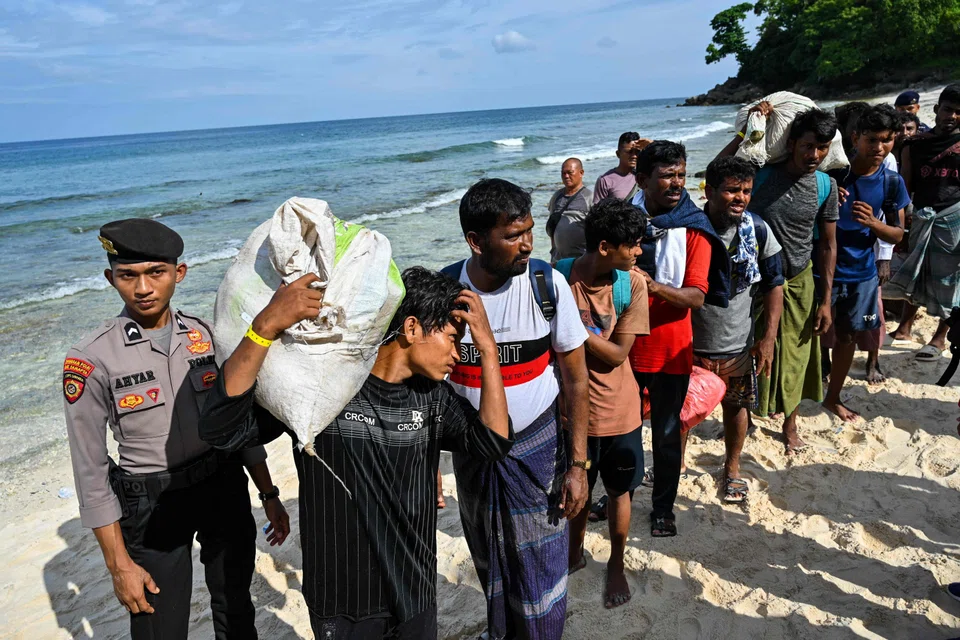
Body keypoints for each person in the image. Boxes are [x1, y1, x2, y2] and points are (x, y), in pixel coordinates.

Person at [198, 267, 514, 640]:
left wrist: (490, 350)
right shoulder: (322, 392)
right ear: (411, 328)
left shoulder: (432, 400)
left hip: (415, 594)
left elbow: (492, 441)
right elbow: (221, 428)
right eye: (451, 339)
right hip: (341, 603)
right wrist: (265, 327)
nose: (458, 355)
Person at [62, 219, 289, 640]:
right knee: (159, 627)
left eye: (156, 273)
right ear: (111, 279)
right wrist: (119, 565)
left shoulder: (206, 335)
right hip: (152, 506)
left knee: (237, 611)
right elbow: (90, 471)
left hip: (222, 486)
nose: (143, 288)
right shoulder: (91, 359)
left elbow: (235, 424)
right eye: (128, 276)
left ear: (178, 274)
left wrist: (268, 492)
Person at [445, 178, 590, 640]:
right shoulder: (446, 292)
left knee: (543, 559)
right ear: (475, 240)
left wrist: (580, 465)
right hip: (472, 452)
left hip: (538, 447)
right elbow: (426, 382)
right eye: (512, 235)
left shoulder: (548, 284)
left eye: (529, 230)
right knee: (489, 553)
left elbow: (575, 378)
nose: (527, 244)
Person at [717, 106, 840, 453]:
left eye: (822, 147)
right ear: (791, 143)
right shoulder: (762, 175)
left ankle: (790, 424)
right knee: (749, 351)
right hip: (752, 282)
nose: (814, 155)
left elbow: (828, 245)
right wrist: (748, 130)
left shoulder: (825, 185)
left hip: (800, 282)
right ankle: (747, 417)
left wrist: (826, 300)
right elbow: (717, 174)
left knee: (798, 357)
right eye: (807, 146)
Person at [628, 140, 727, 537]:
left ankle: (663, 509)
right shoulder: (626, 221)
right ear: (641, 180)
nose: (676, 183)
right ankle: (620, 493)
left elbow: (697, 296)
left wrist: (653, 288)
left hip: (670, 348)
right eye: (667, 175)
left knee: (668, 434)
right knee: (621, 431)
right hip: (623, 347)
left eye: (682, 175)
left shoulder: (693, 228)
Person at [559, 197, 650, 609]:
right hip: (572, 413)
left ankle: (616, 563)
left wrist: (571, 328)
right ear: (603, 247)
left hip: (620, 411)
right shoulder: (560, 277)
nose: (638, 251)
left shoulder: (630, 284)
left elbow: (616, 355)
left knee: (618, 491)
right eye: (631, 244)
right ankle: (575, 552)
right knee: (576, 489)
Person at [692, 157, 784, 503]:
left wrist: (768, 338)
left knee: (737, 407)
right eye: (732, 190)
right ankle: (675, 467)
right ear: (710, 190)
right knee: (684, 412)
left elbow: (775, 283)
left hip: (738, 345)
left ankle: (731, 469)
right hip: (691, 345)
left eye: (746, 190)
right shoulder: (690, 230)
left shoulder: (757, 230)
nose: (740, 197)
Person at [819, 105, 908, 420]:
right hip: (821, 271)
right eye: (872, 140)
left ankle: (833, 398)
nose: (880, 148)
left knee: (847, 336)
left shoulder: (892, 182)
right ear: (854, 137)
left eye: (887, 140)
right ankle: (794, 397)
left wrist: (874, 224)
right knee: (809, 334)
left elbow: (898, 234)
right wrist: (828, 196)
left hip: (862, 273)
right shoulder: (832, 174)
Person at [889, 84, 960, 360]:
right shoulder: (914, 145)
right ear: (936, 109)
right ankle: (905, 327)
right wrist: (902, 223)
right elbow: (905, 186)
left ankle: (939, 338)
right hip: (922, 215)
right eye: (948, 110)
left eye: (958, 112)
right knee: (915, 275)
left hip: (954, 217)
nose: (952, 116)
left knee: (950, 280)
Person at [546, 157, 592, 263]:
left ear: (581, 173)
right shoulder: (556, 197)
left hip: (580, 260)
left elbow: (596, 230)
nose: (566, 176)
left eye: (570, 172)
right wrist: (553, 250)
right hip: (558, 260)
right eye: (563, 173)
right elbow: (552, 224)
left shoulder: (589, 197)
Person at [593, 132, 652, 202]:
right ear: (618, 154)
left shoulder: (644, 176)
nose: (634, 156)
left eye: (637, 152)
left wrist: (651, 145)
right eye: (629, 152)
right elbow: (598, 210)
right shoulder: (606, 180)